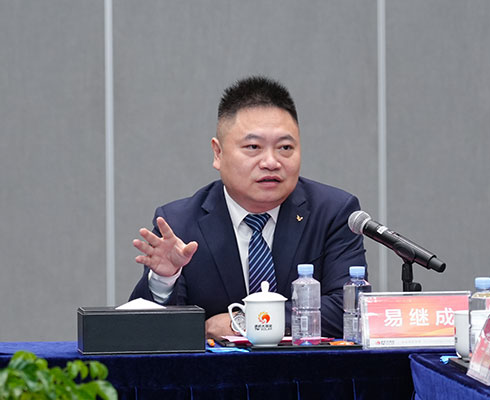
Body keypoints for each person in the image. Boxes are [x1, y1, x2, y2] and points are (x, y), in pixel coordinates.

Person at [130, 76, 367, 339]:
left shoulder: (333, 212)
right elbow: (148, 333)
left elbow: (349, 310)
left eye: (285, 147)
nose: (271, 162)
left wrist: (243, 322)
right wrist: (164, 280)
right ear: (218, 153)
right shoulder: (179, 223)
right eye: (253, 147)